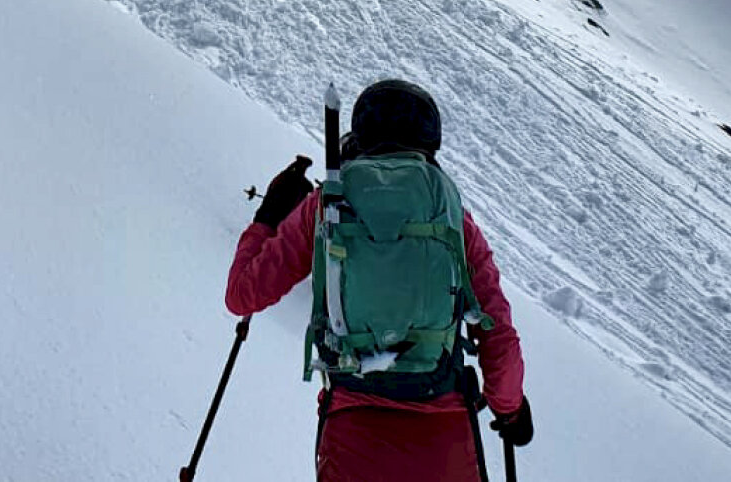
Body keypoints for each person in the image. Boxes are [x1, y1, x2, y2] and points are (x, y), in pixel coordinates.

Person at [227, 79, 534, 480]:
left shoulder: (327, 205)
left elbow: (242, 295)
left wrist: (268, 218)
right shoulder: (452, 219)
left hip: (353, 436)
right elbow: (497, 334)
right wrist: (510, 409)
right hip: (444, 441)